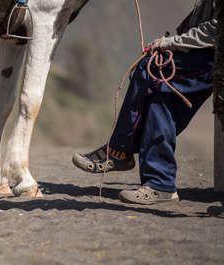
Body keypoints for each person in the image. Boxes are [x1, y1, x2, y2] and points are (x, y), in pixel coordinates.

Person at [72, 0, 217, 205]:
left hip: (215, 55)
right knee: (160, 99)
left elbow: (217, 29)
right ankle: (160, 184)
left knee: (149, 67)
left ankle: (118, 151)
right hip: (208, 50)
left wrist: (170, 43)